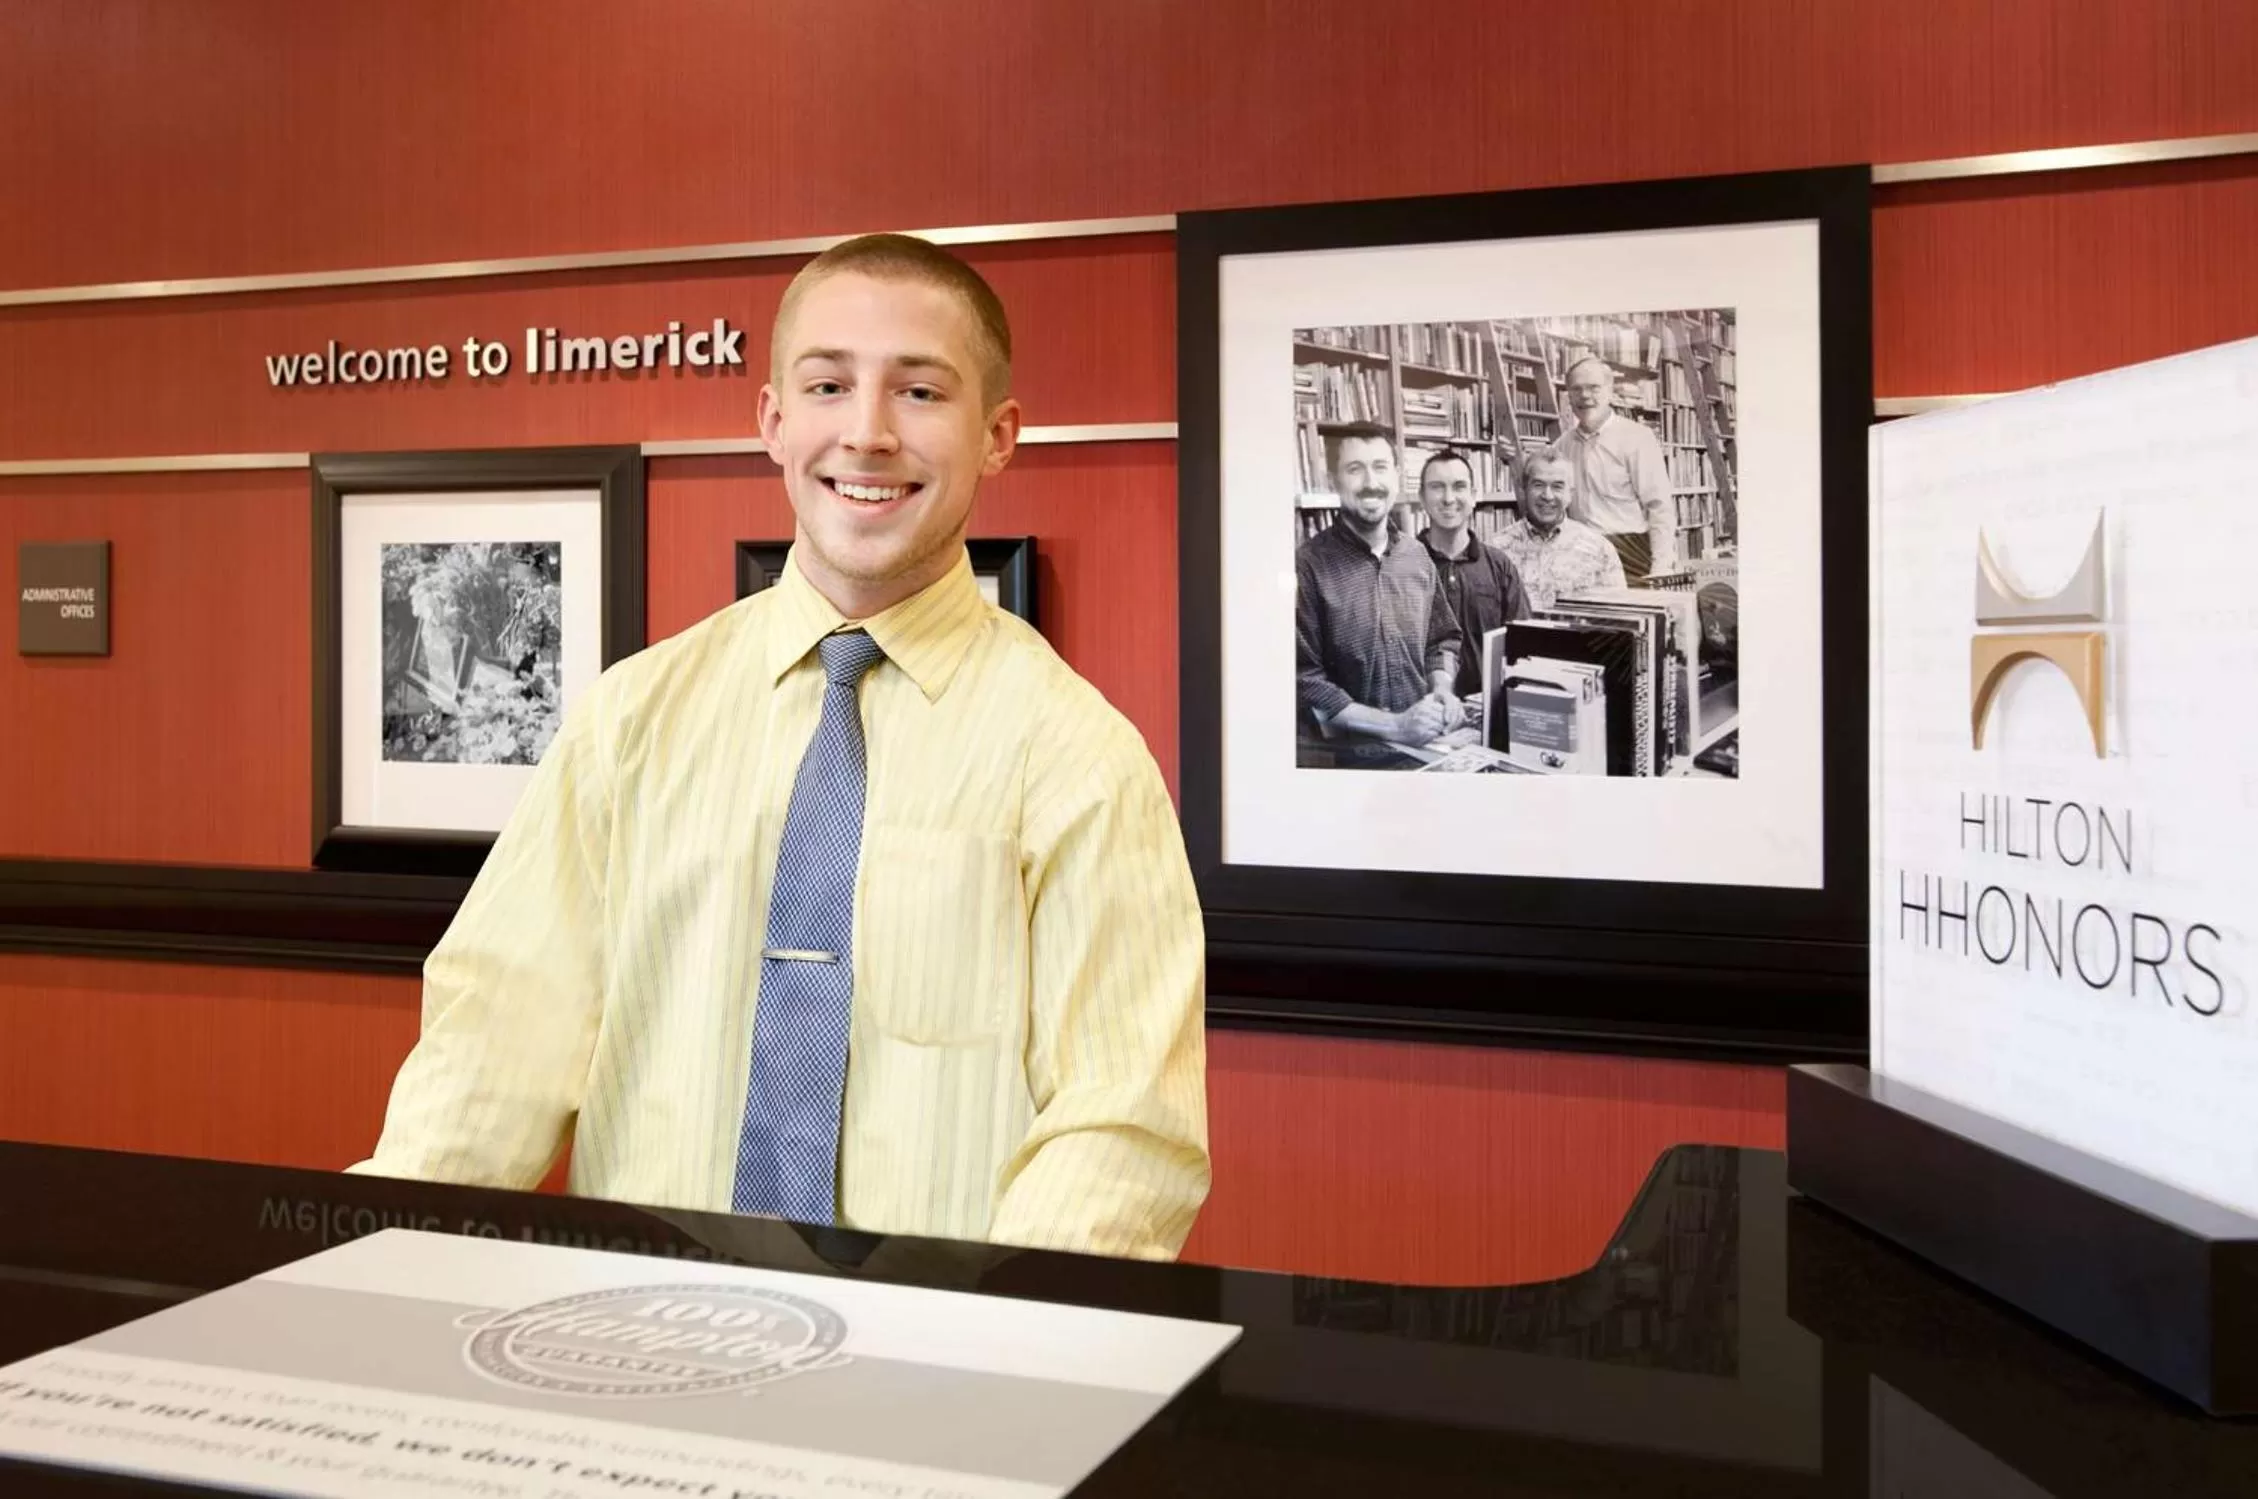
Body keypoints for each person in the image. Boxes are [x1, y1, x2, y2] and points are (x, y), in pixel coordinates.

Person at [349, 234, 1210, 1263]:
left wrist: (997, 1360)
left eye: (922, 392)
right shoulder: (629, 722)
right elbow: (495, 1043)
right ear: (772, 419)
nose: (867, 432)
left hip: (935, 1374)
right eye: (828, 384)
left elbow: (1119, 1131)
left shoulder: (1079, 758)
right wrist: (370, 1267)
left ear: (997, 434)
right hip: (631, 1341)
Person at [1295, 426, 1463, 762]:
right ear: (1333, 481)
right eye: (1355, 469)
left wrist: (1442, 689)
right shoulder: (1307, 566)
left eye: (1381, 467)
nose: (1371, 482)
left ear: (1397, 477)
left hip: (1422, 750)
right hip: (1344, 760)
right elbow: (1304, 679)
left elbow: (1441, 641)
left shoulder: (1417, 557)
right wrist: (1395, 725)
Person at [1415, 449, 1531, 708]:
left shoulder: (1499, 565)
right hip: (1421, 712)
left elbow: (1523, 644)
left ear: (1474, 496)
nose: (1448, 498)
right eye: (1437, 487)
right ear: (1421, 498)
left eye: (1459, 487)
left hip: (1487, 710)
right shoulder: (1403, 564)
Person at [1553, 353, 1676, 580]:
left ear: (1610, 391)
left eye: (1594, 387)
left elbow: (1659, 507)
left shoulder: (1637, 438)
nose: (1585, 396)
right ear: (1568, 395)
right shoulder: (1562, 446)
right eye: (1576, 389)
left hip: (1630, 553)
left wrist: (1661, 567)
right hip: (1579, 555)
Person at [1499, 449, 1627, 608]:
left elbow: (1617, 617)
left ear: (1570, 493)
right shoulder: (1497, 550)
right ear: (1523, 489)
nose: (1547, 496)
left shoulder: (1600, 550)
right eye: (1538, 485)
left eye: (1557, 486)